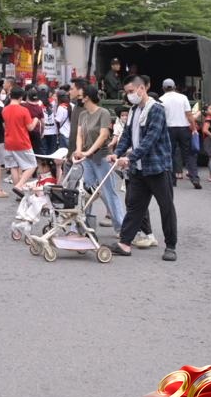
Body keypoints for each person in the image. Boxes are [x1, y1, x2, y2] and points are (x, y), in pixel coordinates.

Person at [107, 75, 178, 261]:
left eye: (131, 91)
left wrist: (129, 158)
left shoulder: (156, 110)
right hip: (138, 169)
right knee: (135, 206)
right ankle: (125, 243)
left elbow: (150, 140)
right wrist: (118, 153)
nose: (129, 95)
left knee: (166, 207)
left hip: (157, 167)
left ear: (142, 89)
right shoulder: (133, 110)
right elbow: (127, 136)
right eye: (127, 92)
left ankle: (170, 246)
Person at [72, 85, 126, 231]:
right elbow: (79, 134)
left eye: (80, 94)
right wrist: (79, 150)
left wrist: (88, 151)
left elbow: (103, 136)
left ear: (87, 97)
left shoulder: (104, 113)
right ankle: (82, 226)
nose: (78, 96)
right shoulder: (82, 114)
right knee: (85, 192)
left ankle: (121, 227)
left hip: (102, 157)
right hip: (87, 159)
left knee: (109, 192)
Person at [159, 78, 200, 188]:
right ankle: (194, 178)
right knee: (189, 154)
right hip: (184, 128)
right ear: (174, 87)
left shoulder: (161, 99)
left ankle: (172, 180)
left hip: (169, 129)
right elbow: (189, 114)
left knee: (170, 154)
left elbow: (161, 117)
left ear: (163, 88)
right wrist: (194, 128)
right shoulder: (183, 98)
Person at [2, 87, 39, 194]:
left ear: (10, 96)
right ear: (21, 97)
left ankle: (18, 191)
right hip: (22, 141)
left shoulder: (5, 110)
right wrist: (36, 119)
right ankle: (19, 186)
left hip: (8, 141)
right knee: (32, 165)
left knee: (13, 166)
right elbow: (30, 127)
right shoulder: (24, 110)